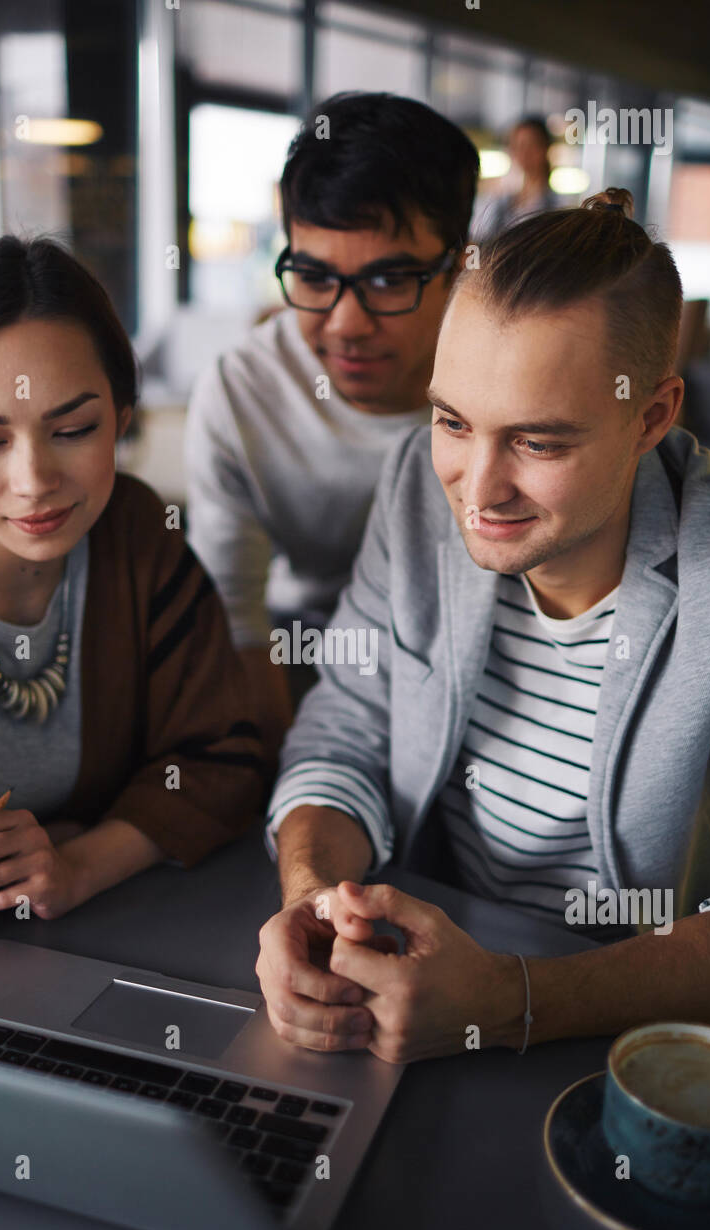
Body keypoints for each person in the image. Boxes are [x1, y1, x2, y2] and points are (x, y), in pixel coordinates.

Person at [255, 189, 710, 1062]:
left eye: (538, 442)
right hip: (416, 996)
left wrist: (513, 1001)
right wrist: (313, 901)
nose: (476, 491)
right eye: (454, 420)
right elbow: (343, 732)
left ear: (652, 417)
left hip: (631, 1037)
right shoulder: (419, 481)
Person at [0, 236, 264, 951]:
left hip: (124, 940)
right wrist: (114, 828)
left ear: (123, 418)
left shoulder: (135, 534)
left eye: (73, 429)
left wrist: (78, 860)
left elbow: (226, 764)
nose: (34, 480)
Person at [185, 91, 479, 762]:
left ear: (459, 267)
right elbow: (236, 621)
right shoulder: (243, 391)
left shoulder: (509, 390)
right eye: (314, 277)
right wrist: (291, 788)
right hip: (298, 646)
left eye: (387, 281)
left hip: (471, 653)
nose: (345, 324)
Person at [474, 116, 558, 240]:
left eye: (530, 145)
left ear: (545, 148)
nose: (524, 153)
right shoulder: (503, 201)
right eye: (517, 146)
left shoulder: (557, 205)